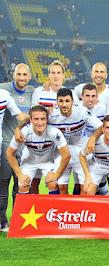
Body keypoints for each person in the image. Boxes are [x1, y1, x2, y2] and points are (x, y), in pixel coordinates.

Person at [16, 89, 103, 194]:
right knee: (60, 186)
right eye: (61, 101)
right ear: (57, 102)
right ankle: (62, 210)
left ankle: (80, 210)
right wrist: (18, 129)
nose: (64, 104)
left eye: (67, 101)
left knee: (86, 188)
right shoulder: (51, 114)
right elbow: (32, 118)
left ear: (73, 102)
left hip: (80, 151)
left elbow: (102, 126)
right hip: (61, 153)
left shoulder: (82, 111)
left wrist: (93, 138)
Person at [6, 105, 70, 195]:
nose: (40, 122)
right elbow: (9, 153)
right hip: (29, 162)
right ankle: (25, 209)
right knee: (23, 186)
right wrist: (20, 175)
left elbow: (66, 155)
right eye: (36, 119)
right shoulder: (24, 132)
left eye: (42, 119)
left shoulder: (54, 132)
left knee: (53, 184)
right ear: (30, 120)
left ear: (47, 120)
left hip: (47, 161)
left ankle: (52, 208)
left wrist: (56, 175)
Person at [0, 63, 33, 232]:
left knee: (19, 185)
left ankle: (16, 220)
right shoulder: (3, 90)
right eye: (18, 74)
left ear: (29, 76)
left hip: (25, 148)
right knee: (3, 184)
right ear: (13, 75)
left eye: (24, 75)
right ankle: (2, 220)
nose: (21, 78)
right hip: (7, 144)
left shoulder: (33, 92)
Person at [79, 115, 109, 195]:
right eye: (107, 127)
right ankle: (102, 185)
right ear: (102, 129)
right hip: (98, 167)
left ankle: (107, 188)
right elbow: (81, 155)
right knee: (88, 191)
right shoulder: (94, 142)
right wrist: (87, 176)